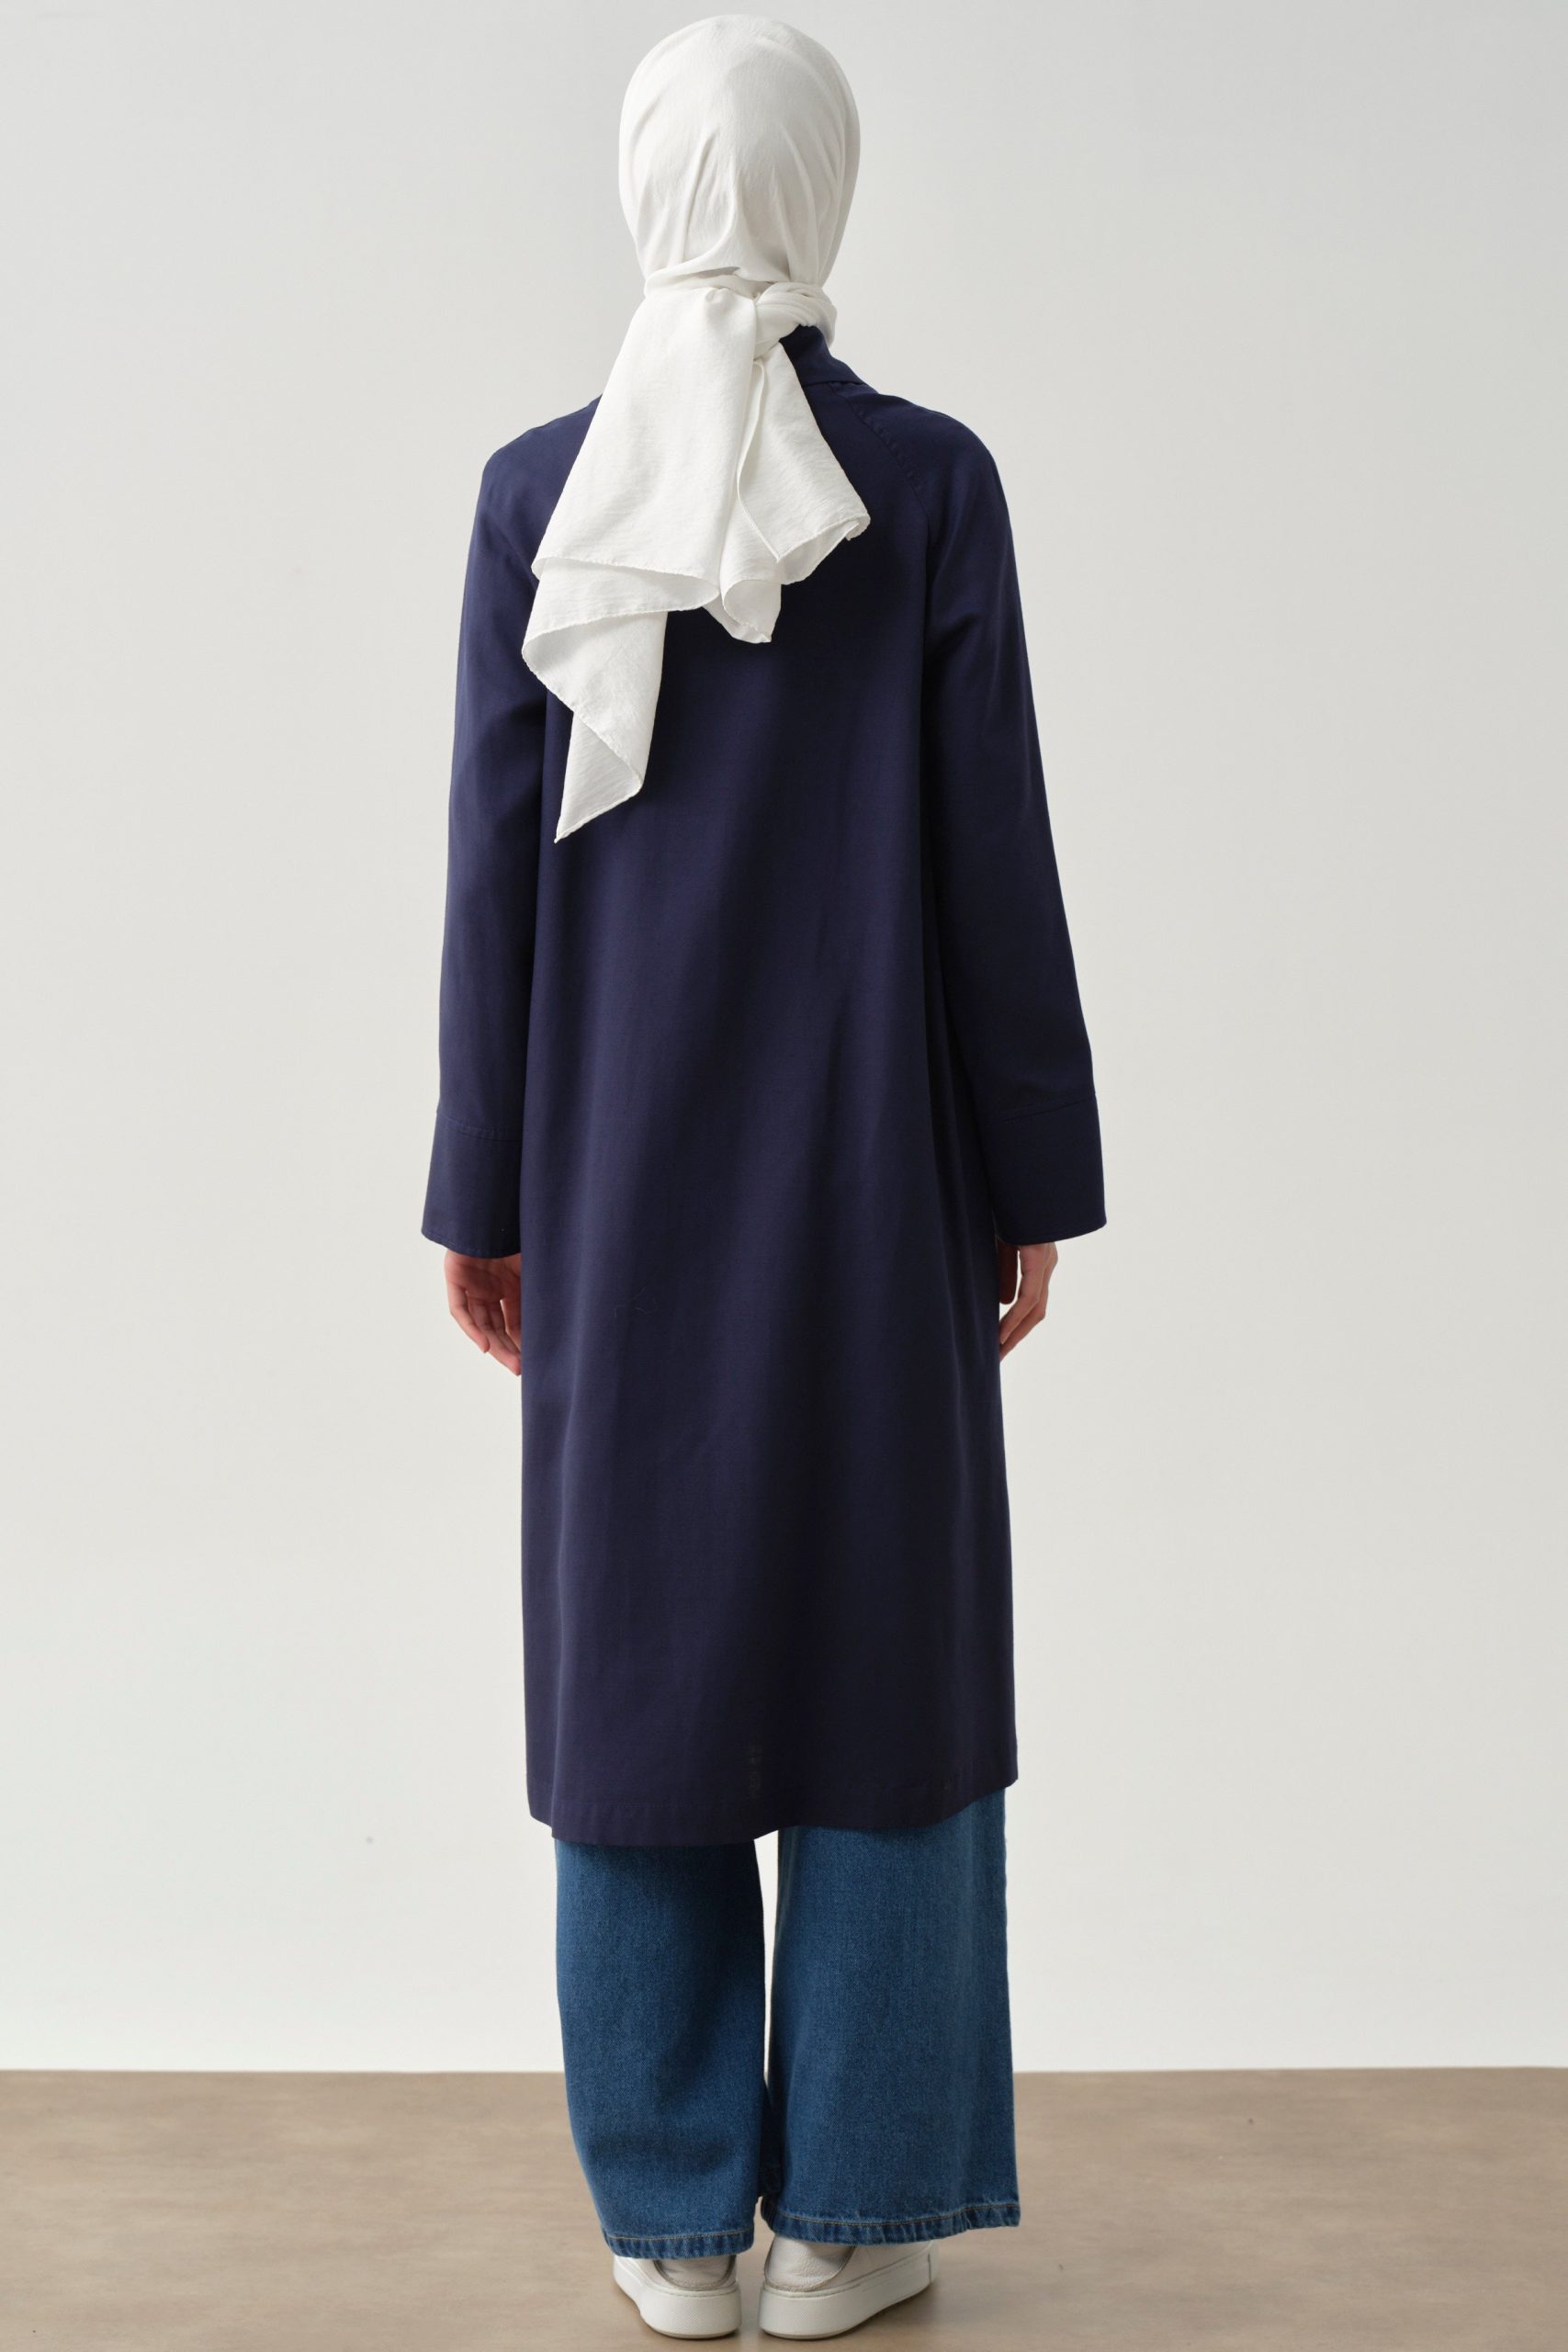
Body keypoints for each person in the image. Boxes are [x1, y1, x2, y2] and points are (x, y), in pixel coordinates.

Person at [422, 17, 1104, 2340]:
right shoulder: (925, 486)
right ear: (824, 186)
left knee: (641, 1649)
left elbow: (492, 880)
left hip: (612, 1175)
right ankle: (851, 2213)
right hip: (875, 1168)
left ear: (648, 184)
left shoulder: (537, 493)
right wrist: (1028, 1171)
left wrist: (482, 1189)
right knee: (883, 1649)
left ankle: (670, 2215)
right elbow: (991, 861)